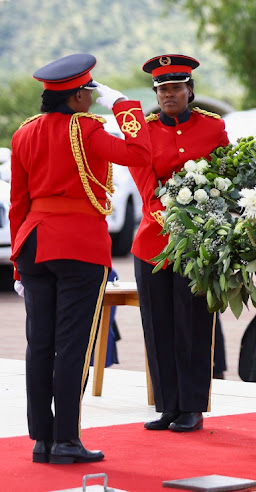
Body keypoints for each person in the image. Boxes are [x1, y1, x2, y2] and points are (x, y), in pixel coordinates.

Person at [9, 53, 152, 463]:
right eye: (89, 92)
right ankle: (67, 440)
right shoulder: (87, 131)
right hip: (77, 246)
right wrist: (123, 105)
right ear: (75, 98)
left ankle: (42, 439)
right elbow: (140, 153)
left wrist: (19, 264)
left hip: (33, 243)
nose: (92, 99)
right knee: (72, 346)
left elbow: (19, 203)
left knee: (40, 344)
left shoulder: (24, 134)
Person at [130, 54, 229, 433]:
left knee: (193, 325)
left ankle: (192, 406)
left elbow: (225, 178)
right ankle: (167, 405)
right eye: (162, 89)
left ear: (190, 90)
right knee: (158, 325)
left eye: (175, 88)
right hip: (153, 242)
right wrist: (174, 221)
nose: (168, 95)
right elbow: (146, 188)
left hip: (198, 244)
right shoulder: (144, 130)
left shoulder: (213, 128)